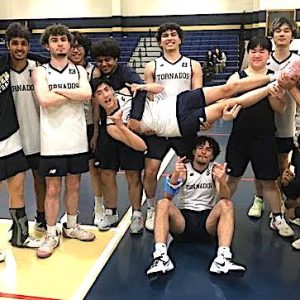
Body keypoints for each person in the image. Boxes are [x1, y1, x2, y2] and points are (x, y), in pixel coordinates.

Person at [93, 70, 292, 145]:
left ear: (112, 89)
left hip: (178, 101)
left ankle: (276, 76)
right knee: (227, 104)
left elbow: (158, 87)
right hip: (176, 125)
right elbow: (141, 145)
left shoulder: (127, 92)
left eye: (106, 90)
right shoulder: (111, 126)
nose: (105, 95)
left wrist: (142, 86)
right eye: (100, 94)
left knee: (227, 88)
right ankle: (272, 88)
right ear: (96, 100)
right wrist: (122, 126)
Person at [32, 24, 95, 258]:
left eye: (64, 40)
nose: (60, 44)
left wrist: (58, 92)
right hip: (52, 141)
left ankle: (71, 225)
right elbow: (44, 100)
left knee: (75, 186)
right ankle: (51, 233)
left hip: (76, 139)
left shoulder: (79, 71)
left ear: (69, 44)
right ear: (47, 45)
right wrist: (71, 94)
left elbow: (87, 95)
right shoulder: (40, 71)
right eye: (55, 40)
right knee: (53, 188)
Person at [146, 136, 246, 276]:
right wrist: (175, 176)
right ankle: (161, 257)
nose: (204, 152)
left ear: (212, 155)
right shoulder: (184, 169)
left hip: (207, 223)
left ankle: (222, 259)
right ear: (193, 151)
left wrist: (222, 181)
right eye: (200, 148)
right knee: (162, 203)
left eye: (208, 150)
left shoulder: (214, 170)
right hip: (183, 222)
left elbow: (224, 197)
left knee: (226, 204)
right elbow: (168, 197)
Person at [225, 36, 294, 238]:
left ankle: (277, 218)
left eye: (262, 51)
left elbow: (280, 109)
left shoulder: (275, 77)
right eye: (253, 51)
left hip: (264, 138)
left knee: (269, 181)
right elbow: (227, 106)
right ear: (248, 54)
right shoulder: (237, 77)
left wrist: (277, 96)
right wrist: (228, 113)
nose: (257, 55)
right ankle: (218, 211)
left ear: (268, 54)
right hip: (239, 138)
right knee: (232, 178)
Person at [143, 22, 203, 231]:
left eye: (173, 35)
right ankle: (151, 209)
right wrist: (148, 123)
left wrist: (199, 119)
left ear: (179, 39)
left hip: (183, 124)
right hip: (159, 126)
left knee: (189, 169)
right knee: (151, 170)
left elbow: (198, 96)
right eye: (165, 35)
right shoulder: (152, 66)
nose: (169, 38)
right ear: (159, 42)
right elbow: (149, 99)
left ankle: (187, 205)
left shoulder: (192, 65)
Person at [90, 38, 146, 233]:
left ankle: (137, 214)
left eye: (108, 60)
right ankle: (111, 212)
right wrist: (96, 133)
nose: (104, 64)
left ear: (115, 58)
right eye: (100, 61)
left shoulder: (126, 72)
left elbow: (141, 92)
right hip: (107, 130)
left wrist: (135, 120)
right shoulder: (97, 77)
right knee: (106, 173)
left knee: (133, 173)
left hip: (127, 128)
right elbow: (95, 106)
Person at [250, 17, 300, 218]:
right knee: (260, 163)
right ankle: (258, 198)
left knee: (281, 164)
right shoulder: (263, 58)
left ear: (292, 35)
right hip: (262, 120)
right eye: (278, 30)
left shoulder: (297, 62)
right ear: (272, 35)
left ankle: (277, 201)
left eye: (286, 31)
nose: (281, 34)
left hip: (286, 121)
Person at [5, 22, 47, 232]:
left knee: (41, 180)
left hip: (37, 135)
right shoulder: (3, 71)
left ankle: (41, 218)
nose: (19, 48)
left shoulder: (38, 69)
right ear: (7, 45)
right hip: (12, 138)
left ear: (29, 47)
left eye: (23, 44)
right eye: (15, 43)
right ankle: (17, 223)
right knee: (15, 185)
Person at [0, 53, 41, 255]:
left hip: (11, 136)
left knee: (18, 189)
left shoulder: (3, 61)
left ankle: (20, 236)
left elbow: (23, 52)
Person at [65, 31, 104, 226]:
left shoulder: (93, 71)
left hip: (88, 124)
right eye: (72, 46)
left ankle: (99, 206)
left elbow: (96, 104)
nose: (75, 50)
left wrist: (96, 131)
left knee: (93, 168)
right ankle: (70, 211)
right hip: (68, 126)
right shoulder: (60, 71)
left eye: (79, 46)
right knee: (71, 173)